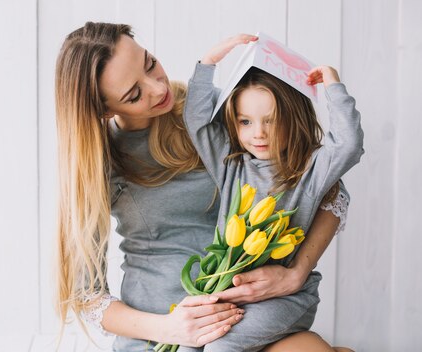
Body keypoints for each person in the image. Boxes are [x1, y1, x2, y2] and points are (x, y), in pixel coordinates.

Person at [54, 22, 353, 351]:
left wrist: (297, 272)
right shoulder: (97, 166)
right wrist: (170, 329)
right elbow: (86, 296)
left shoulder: (209, 113)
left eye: (150, 63)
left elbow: (327, 189)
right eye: (134, 94)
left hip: (248, 320)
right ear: (104, 109)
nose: (157, 88)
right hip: (162, 331)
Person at [181, 36, 363, 352]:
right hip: (229, 288)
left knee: (220, 347)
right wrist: (209, 62)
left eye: (272, 120)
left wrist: (333, 86)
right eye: (245, 121)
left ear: (293, 116)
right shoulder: (231, 165)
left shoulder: (310, 169)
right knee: (188, 345)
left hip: (285, 299)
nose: (259, 133)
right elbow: (197, 121)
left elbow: (349, 144)